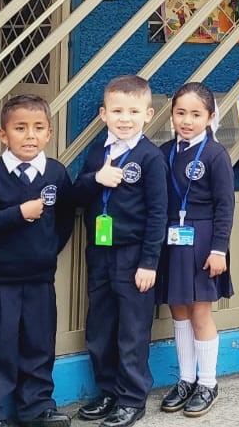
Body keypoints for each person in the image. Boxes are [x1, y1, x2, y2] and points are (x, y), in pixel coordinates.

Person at [0, 95, 75, 427]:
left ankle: (37, 408)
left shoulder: (56, 173)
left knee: (39, 346)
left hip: (40, 279)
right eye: (20, 128)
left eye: (38, 128)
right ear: (3, 134)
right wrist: (19, 213)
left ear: (49, 133)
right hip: (0, 280)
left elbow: (65, 220)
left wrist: (47, 251)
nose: (30, 135)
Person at [75, 76, 169, 427]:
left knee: (132, 330)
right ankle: (108, 391)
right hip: (100, 251)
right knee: (101, 326)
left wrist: (149, 262)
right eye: (117, 111)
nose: (124, 118)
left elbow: (158, 214)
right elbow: (76, 195)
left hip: (133, 256)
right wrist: (95, 179)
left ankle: (131, 398)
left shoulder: (150, 157)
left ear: (148, 114)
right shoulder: (97, 153)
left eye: (133, 111)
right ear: (104, 114)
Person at [156, 83, 235, 418]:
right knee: (178, 310)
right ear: (171, 115)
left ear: (210, 117)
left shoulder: (216, 155)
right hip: (172, 238)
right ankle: (186, 379)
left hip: (203, 240)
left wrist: (219, 249)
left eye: (195, 114)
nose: (187, 121)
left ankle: (207, 382)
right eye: (180, 113)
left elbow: (225, 206)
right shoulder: (164, 152)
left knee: (200, 312)